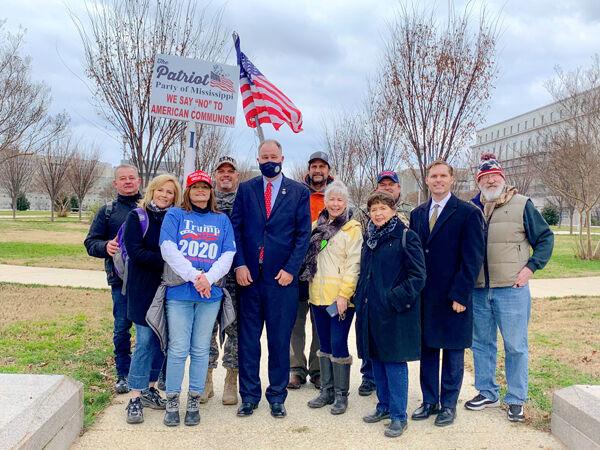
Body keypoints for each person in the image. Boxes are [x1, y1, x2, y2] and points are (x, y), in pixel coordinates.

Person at [465, 153, 554, 423]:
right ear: (479, 181)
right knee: (481, 344)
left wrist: (531, 268)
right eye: (485, 177)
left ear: (503, 178)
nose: (491, 181)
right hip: (479, 289)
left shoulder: (522, 204)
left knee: (515, 346)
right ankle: (487, 392)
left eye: (495, 176)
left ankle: (516, 398)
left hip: (511, 289)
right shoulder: (472, 208)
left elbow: (545, 238)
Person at [231, 139, 311, 418]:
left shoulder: (299, 192)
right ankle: (249, 396)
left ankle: (277, 396)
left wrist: (291, 269)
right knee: (249, 341)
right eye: (264, 156)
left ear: (282, 158)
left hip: (281, 280)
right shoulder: (246, 189)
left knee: (279, 341)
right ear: (258, 160)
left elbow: (303, 234)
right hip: (250, 279)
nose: (269, 160)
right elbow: (235, 229)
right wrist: (240, 264)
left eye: (273, 156)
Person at [409, 160, 485, 427]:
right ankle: (429, 401)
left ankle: (449, 405)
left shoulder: (468, 213)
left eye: (443, 176)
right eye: (433, 176)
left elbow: (472, 258)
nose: (438, 180)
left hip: (454, 296)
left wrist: (461, 295)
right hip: (426, 296)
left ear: (452, 179)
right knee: (428, 350)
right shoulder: (418, 214)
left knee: (453, 352)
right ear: (427, 180)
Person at [159, 170, 236, 427]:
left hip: (210, 295)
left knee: (201, 348)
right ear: (188, 191)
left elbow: (228, 254)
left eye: (205, 187)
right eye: (195, 187)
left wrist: (208, 279)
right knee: (178, 348)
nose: (200, 191)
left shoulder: (221, 219)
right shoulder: (175, 215)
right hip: (180, 292)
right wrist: (195, 277)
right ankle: (172, 400)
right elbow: (168, 249)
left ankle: (194, 398)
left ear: (211, 191)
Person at [354, 191, 426, 438]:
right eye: (374, 209)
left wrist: (393, 299)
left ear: (393, 210)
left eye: (383, 208)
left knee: (394, 363)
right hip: (371, 311)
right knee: (376, 360)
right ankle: (383, 406)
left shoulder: (406, 236)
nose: (378, 213)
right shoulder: (370, 239)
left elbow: (418, 276)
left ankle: (398, 415)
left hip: (394, 313)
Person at [300, 180, 362, 415]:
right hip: (317, 296)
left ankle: (341, 394)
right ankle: (326, 390)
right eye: (331, 199)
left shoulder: (352, 228)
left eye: (340, 200)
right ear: (325, 202)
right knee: (324, 343)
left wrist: (345, 294)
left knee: (338, 342)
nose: (335, 204)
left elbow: (354, 264)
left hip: (339, 299)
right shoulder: (316, 226)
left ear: (346, 202)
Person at [123, 174, 182, 424]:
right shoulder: (137, 217)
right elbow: (136, 252)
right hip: (143, 291)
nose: (165, 195)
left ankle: (150, 389)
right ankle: (134, 397)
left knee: (161, 342)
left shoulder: (176, 219)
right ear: (152, 190)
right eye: (161, 190)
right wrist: (169, 260)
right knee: (145, 342)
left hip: (169, 289)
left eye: (170, 192)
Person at [84, 164, 141, 394]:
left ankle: (151, 373)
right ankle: (123, 374)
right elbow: (90, 242)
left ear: (139, 181)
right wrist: (105, 246)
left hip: (148, 281)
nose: (128, 182)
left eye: (131, 178)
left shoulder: (149, 207)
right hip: (120, 281)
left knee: (151, 329)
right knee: (121, 328)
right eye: (122, 178)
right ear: (115, 183)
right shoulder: (107, 211)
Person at [357, 169, 412, 397]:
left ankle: (396, 409)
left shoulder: (407, 221)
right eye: (383, 184)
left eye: (391, 184)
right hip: (371, 297)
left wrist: (395, 297)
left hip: (393, 298)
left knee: (393, 355)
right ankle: (375, 388)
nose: (378, 213)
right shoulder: (367, 224)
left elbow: (415, 270)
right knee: (373, 348)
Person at [289, 150, 334, 390]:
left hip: (325, 268)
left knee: (320, 321)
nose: (318, 170)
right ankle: (296, 368)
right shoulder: (297, 193)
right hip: (298, 267)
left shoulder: (336, 195)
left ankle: (318, 369)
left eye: (322, 166)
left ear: (328, 170)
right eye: (314, 166)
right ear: (309, 170)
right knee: (295, 321)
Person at [202, 156, 241, 405]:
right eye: (221, 171)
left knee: (235, 328)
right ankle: (205, 379)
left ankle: (231, 380)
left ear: (237, 175)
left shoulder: (244, 201)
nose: (226, 174)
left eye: (230, 171)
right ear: (215, 175)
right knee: (206, 328)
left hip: (236, 276)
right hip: (209, 275)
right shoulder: (206, 201)